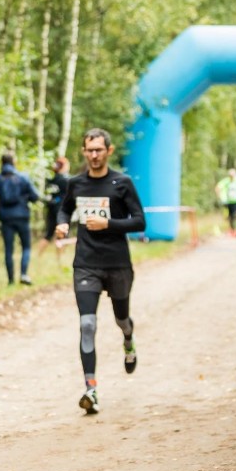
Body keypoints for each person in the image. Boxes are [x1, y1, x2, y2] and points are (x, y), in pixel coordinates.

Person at [55, 128, 146, 415]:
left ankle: (128, 340)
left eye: (98, 150)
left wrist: (109, 225)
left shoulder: (122, 182)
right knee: (87, 325)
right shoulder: (76, 184)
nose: (94, 155)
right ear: (83, 152)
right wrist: (63, 224)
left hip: (117, 263)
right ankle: (90, 389)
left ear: (109, 150)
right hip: (86, 263)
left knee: (121, 320)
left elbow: (140, 221)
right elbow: (63, 209)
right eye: (89, 150)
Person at [0, 152, 40, 285]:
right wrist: (26, 199)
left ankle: (11, 281)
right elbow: (35, 196)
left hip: (6, 217)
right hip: (22, 216)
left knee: (9, 249)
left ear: (2, 163)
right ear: (14, 162)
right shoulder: (23, 178)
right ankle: (24, 275)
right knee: (26, 247)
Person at [37, 156, 71, 257]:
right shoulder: (66, 180)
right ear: (63, 166)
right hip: (61, 211)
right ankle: (59, 259)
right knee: (62, 235)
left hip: (51, 209)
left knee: (48, 234)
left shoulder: (51, 180)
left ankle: (38, 256)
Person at [214, 168, 236, 236]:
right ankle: (232, 229)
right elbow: (218, 187)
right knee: (229, 216)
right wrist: (219, 196)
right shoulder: (226, 181)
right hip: (227, 202)